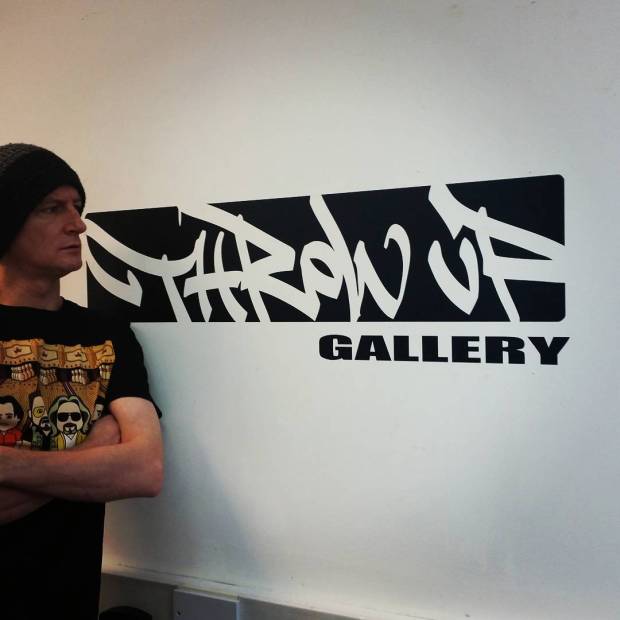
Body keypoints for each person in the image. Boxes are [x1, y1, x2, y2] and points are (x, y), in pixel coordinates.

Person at [0, 143, 164, 620]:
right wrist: (96, 446)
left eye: (77, 206)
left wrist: (5, 464)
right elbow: (120, 462)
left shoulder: (105, 333)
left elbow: (144, 469)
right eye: (51, 208)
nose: (78, 224)